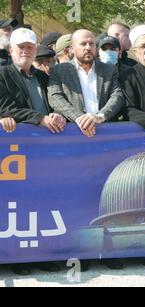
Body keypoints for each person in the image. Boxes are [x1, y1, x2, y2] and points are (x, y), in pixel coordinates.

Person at [0, 28, 66, 275]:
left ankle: (42, 255)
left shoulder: (42, 77)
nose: (26, 51)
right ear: (11, 50)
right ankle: (18, 258)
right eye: (21, 47)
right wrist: (39, 118)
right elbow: (6, 107)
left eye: (30, 46)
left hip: (45, 153)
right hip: (17, 155)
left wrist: (55, 115)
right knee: (19, 205)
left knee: (44, 203)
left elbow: (52, 104)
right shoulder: (2, 74)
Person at [48, 29, 124, 139]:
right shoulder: (59, 70)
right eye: (83, 44)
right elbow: (55, 97)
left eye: (91, 44)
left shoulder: (109, 70)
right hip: (73, 135)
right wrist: (80, 118)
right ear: (72, 48)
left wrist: (99, 117)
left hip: (105, 134)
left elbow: (117, 96)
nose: (88, 47)